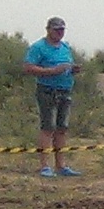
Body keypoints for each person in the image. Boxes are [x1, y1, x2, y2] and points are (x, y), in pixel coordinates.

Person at [22, 17, 80, 177]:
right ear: (48, 30)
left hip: (65, 90)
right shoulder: (38, 47)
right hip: (47, 90)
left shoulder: (65, 47)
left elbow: (67, 66)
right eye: (57, 30)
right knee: (48, 127)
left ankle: (61, 166)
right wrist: (52, 71)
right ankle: (45, 166)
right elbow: (28, 68)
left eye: (62, 30)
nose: (60, 33)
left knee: (62, 128)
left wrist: (72, 70)